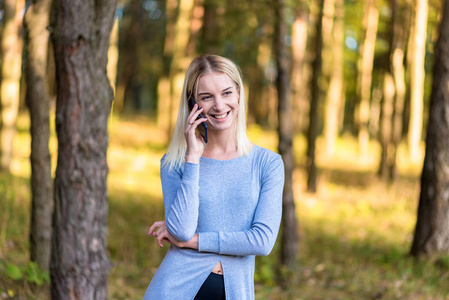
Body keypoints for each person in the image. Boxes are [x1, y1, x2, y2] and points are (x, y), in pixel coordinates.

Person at [143, 54, 284, 300]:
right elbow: (181, 230)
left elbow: (261, 241)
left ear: (239, 94)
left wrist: (194, 242)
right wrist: (193, 159)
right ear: (192, 104)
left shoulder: (267, 163)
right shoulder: (176, 162)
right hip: (174, 290)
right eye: (206, 97)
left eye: (226, 93)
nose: (219, 105)